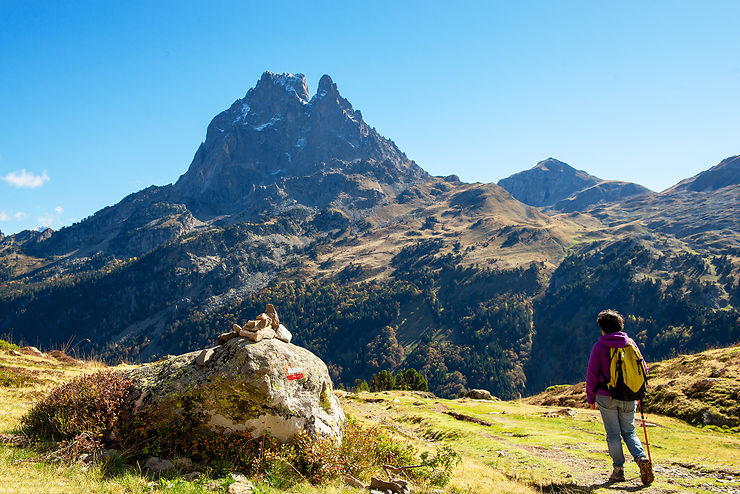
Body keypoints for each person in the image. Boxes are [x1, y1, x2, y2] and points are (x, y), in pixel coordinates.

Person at [586, 309, 651, 483]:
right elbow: (643, 369)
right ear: (620, 326)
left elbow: (592, 375)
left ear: (602, 329)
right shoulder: (630, 344)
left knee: (613, 434)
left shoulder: (599, 347)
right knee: (629, 431)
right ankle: (641, 458)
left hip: (606, 396)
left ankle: (618, 470)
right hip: (630, 395)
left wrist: (591, 398)